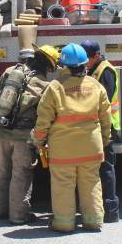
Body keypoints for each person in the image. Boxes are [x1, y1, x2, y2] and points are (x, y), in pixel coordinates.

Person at [31, 43, 111, 232]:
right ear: (85, 63)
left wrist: (38, 141)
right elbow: (105, 118)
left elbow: (43, 120)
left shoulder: (55, 88)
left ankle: (64, 224)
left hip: (63, 150)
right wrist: (105, 140)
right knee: (91, 182)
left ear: (63, 66)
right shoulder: (96, 86)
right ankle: (93, 221)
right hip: (92, 147)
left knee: (63, 185)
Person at [0, 44, 60, 224]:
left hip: (1, 131)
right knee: (21, 174)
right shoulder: (45, 84)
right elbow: (45, 113)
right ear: (48, 66)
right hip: (23, 136)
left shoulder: (10, 71)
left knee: (2, 169)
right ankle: (19, 216)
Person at [81, 40, 120, 223]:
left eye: (86, 58)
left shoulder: (105, 71)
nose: (84, 62)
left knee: (106, 168)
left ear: (96, 55)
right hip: (94, 126)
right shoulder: (92, 68)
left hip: (106, 127)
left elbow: (104, 102)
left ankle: (110, 209)